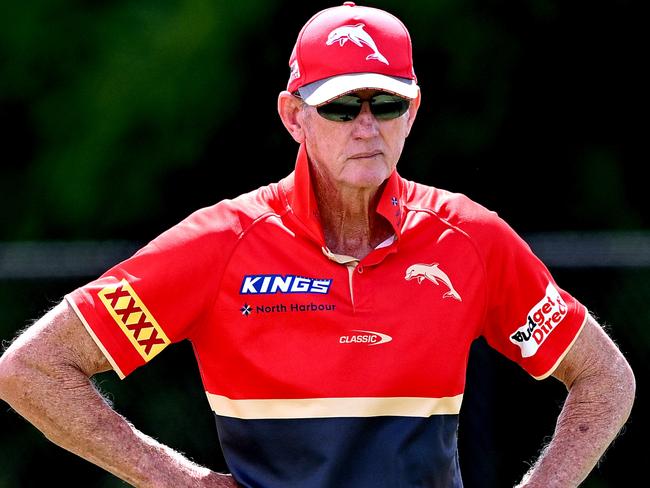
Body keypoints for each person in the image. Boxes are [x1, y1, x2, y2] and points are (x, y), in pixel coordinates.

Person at [0, 2, 636, 487]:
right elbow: (30, 370)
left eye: (386, 103)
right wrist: (176, 479)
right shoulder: (221, 244)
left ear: (412, 114)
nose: (366, 126)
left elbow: (604, 377)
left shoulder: (470, 240)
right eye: (339, 107)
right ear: (292, 115)